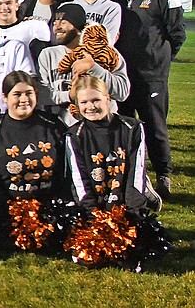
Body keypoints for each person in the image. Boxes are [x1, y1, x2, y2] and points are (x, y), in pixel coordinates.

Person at [114, 0, 185, 198]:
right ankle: (126, 174)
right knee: (122, 127)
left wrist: (159, 62)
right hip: (121, 78)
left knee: (155, 128)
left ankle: (163, 175)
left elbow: (177, 35)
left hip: (151, 78)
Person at [0, 72, 67, 251]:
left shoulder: (53, 125)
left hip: (47, 208)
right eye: (17, 94)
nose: (24, 99)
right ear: (5, 97)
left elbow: (65, 171)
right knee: (6, 246)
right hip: (8, 209)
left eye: (29, 93)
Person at [66, 75, 157, 217]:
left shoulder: (132, 128)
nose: (91, 107)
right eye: (84, 102)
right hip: (93, 213)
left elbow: (136, 173)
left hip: (126, 208)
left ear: (107, 99)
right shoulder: (74, 136)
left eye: (96, 100)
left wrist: (132, 213)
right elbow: (79, 181)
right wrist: (93, 216)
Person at [38, 5, 129, 126]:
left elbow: (123, 92)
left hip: (103, 125)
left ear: (79, 27)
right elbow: (41, 95)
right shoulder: (48, 55)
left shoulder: (105, 52)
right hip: (63, 127)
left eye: (63, 22)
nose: (57, 28)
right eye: (54, 23)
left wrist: (93, 68)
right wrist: (69, 96)